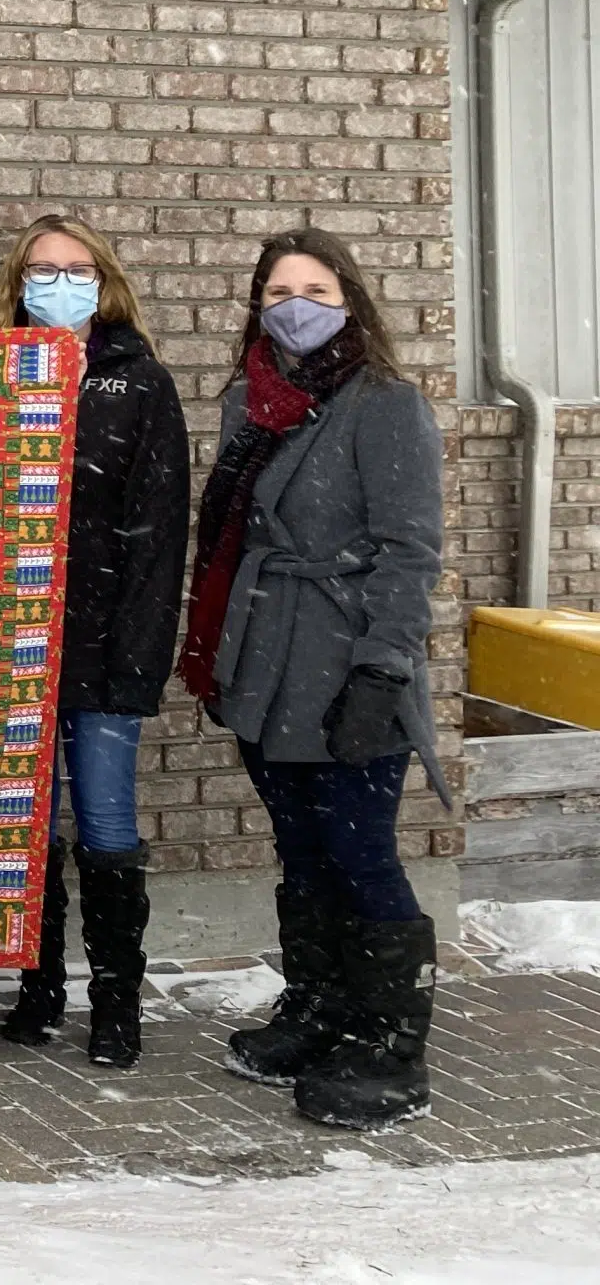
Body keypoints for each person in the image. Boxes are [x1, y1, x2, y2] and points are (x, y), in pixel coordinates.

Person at [182, 229, 447, 1133]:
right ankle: (323, 1005)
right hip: (266, 658)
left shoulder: (385, 404)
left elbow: (411, 554)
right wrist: (219, 649)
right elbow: (226, 538)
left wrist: (382, 670)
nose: (296, 306)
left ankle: (390, 1038)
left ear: (350, 302)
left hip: (347, 662)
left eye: (316, 289)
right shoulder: (249, 404)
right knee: (299, 847)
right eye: (277, 291)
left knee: (359, 848)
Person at [0, 217, 190, 1067]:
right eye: (42, 270)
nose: (59, 284)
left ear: (103, 281)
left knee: (105, 820)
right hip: (11, 645)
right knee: (31, 826)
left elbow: (159, 532)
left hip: (106, 643)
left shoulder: (139, 382)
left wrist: (138, 659)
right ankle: (38, 987)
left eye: (76, 270)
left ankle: (116, 1003)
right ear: (17, 283)